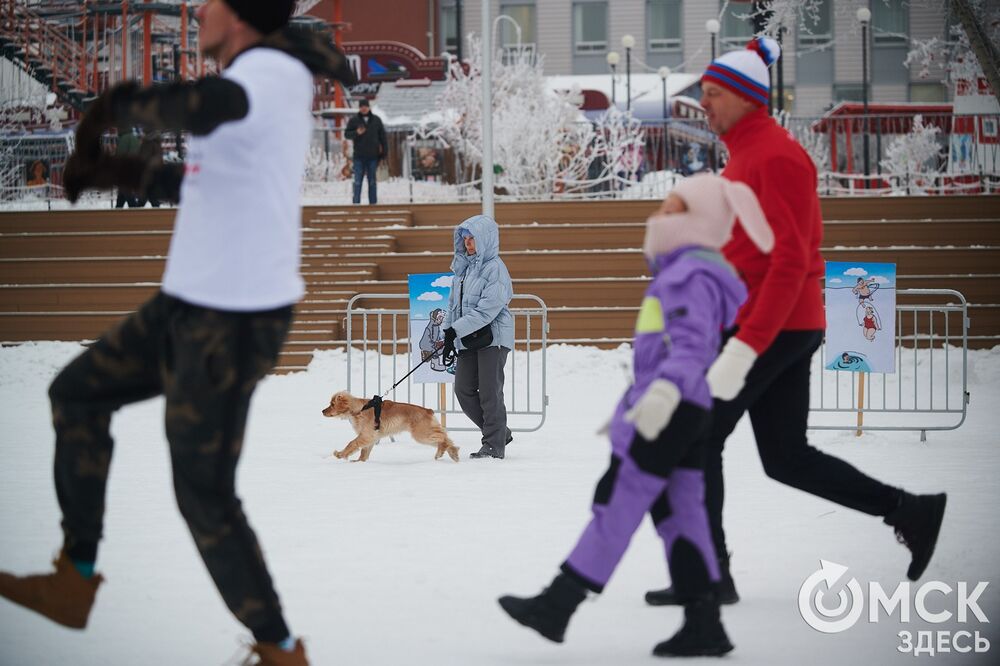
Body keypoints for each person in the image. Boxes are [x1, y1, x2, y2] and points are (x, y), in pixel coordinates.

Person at [0, 1, 354, 664]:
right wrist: (117, 172)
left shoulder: (269, 72)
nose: (198, 10)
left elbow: (208, 104)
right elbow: (207, 179)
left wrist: (117, 107)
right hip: (188, 306)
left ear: (242, 13)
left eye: (212, 1)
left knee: (203, 492)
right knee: (77, 395)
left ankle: (279, 650)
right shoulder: (254, 78)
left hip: (232, 320)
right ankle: (73, 579)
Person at [644, 37, 947, 608]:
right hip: (776, 323)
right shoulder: (746, 155)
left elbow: (791, 259)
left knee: (695, 440)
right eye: (702, 93)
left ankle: (709, 577)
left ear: (746, 98)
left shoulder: (775, 156)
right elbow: (754, 252)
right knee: (785, 457)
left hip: (772, 327)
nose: (703, 104)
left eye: (713, 94)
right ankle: (911, 510)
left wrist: (743, 345)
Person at [498, 174, 775, 657]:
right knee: (682, 515)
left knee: (617, 501)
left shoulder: (689, 275)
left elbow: (690, 348)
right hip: (685, 409)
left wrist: (661, 397)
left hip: (671, 410)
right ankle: (704, 622)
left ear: (697, 220)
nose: (659, 215)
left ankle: (557, 605)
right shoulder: (691, 272)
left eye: (672, 207)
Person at [441, 215, 514, 460]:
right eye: (465, 239)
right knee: (463, 389)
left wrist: (455, 330)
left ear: (485, 240)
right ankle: (499, 432)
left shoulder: (495, 268)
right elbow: (453, 306)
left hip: (492, 338)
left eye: (473, 239)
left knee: (490, 392)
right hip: (468, 338)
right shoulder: (462, 269)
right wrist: (449, 336)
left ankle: (493, 445)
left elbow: (487, 309)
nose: (468, 244)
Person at [345, 99, 386, 205]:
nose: (363, 108)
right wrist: (356, 132)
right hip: (359, 156)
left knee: (372, 182)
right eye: (361, 106)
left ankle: (373, 205)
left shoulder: (376, 120)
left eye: (365, 106)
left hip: (373, 156)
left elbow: (383, 138)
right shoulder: (354, 120)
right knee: (358, 182)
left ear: (369, 107)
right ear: (359, 108)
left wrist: (383, 155)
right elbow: (346, 134)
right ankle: (356, 204)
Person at [114, 128, 142, 208]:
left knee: (126, 189)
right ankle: (118, 207)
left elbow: (120, 156)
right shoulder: (134, 138)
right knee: (123, 191)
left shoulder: (123, 139)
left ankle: (133, 208)